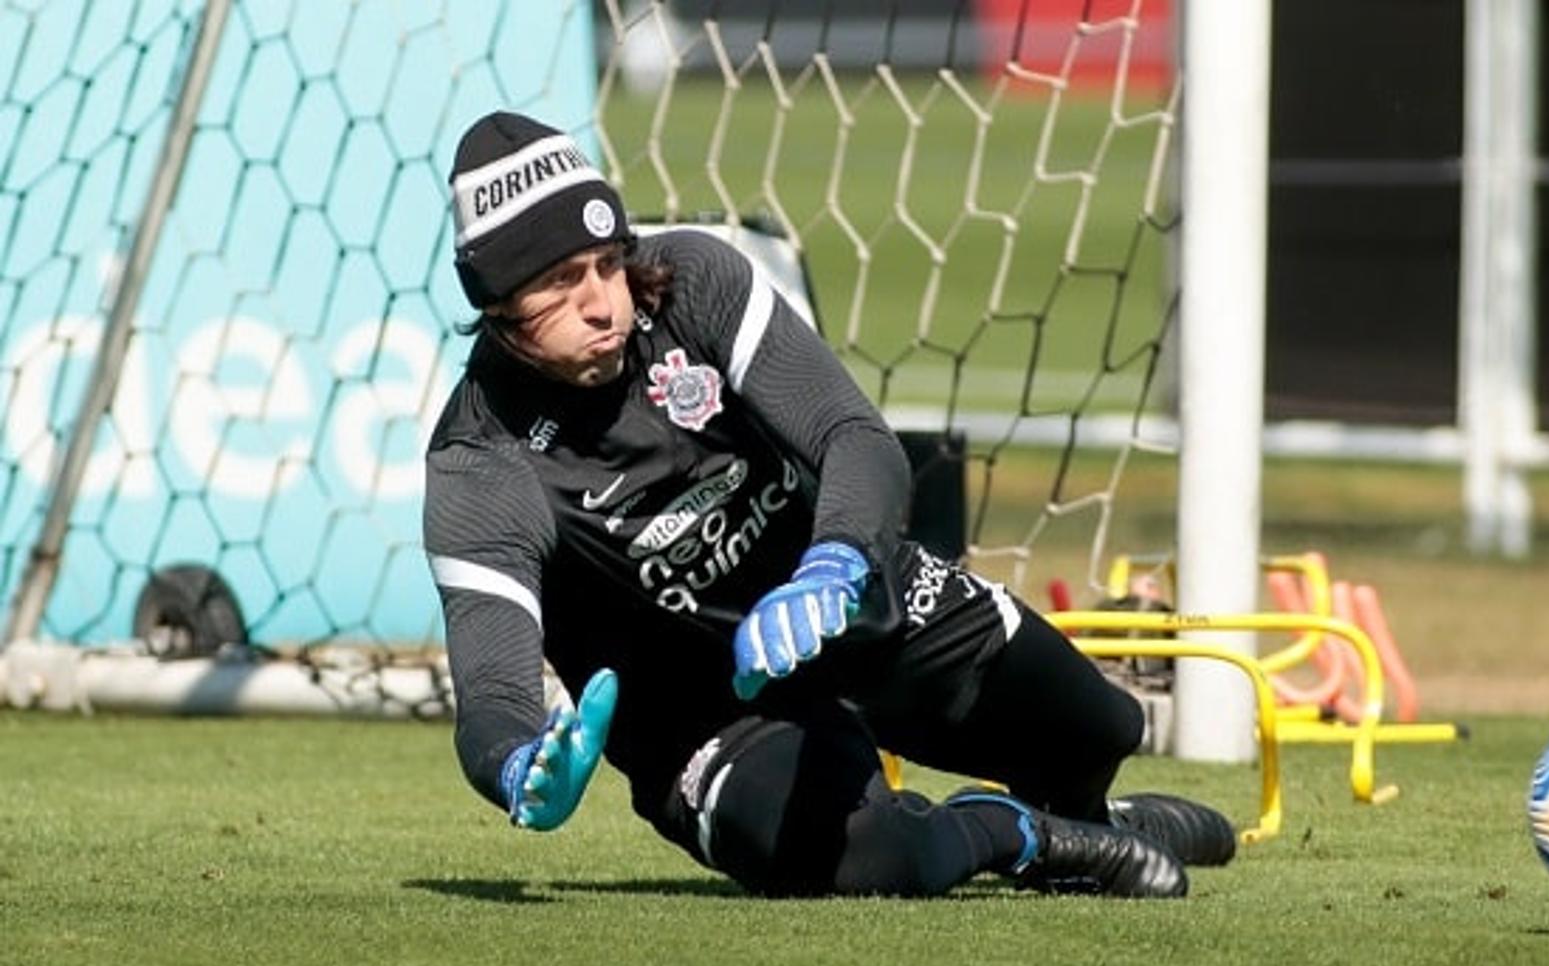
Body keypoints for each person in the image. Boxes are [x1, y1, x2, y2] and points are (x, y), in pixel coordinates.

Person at [423, 111, 1238, 899]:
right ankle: (1012, 833)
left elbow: (854, 436)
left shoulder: (694, 281)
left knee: (1099, 729)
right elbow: (491, 694)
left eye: (606, 263)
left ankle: (1092, 818)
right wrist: (518, 764)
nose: (604, 301)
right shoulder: (478, 463)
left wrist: (836, 559)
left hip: (846, 602)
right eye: (562, 283)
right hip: (706, 718)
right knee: (871, 858)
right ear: (499, 310)